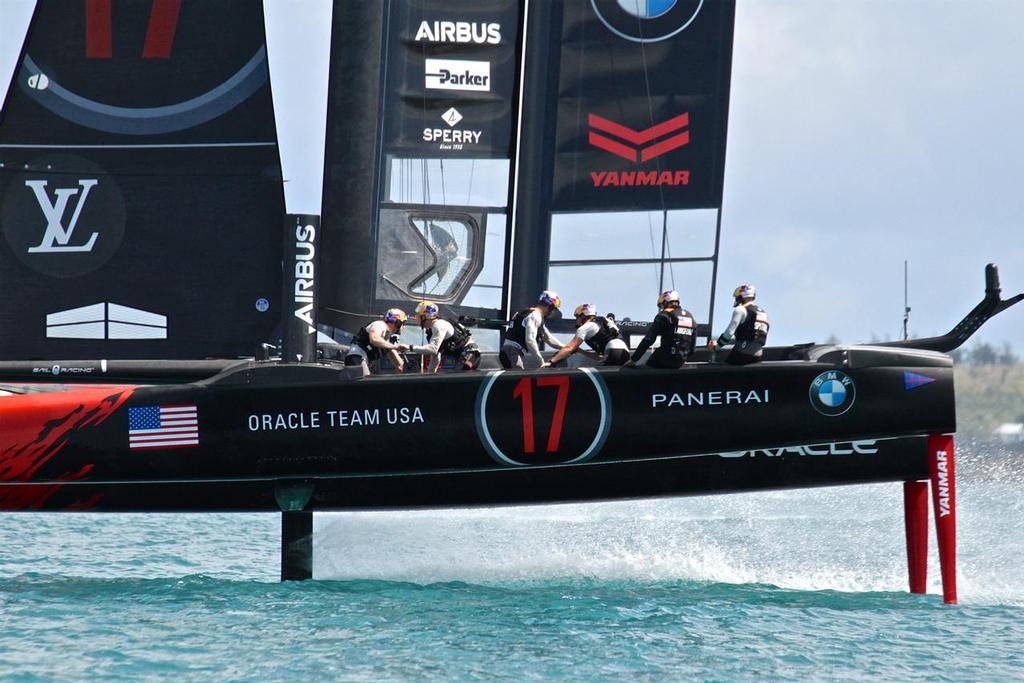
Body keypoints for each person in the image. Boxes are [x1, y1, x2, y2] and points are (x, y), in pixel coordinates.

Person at [623, 290, 696, 369]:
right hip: (681, 360)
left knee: (647, 366)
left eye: (662, 306)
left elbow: (649, 339)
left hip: (666, 357)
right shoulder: (690, 316)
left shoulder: (664, 315)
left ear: (666, 302)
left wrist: (633, 359)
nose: (662, 308)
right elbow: (692, 347)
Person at [541, 303, 629, 367]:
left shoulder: (586, 327)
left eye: (577, 317)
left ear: (583, 316)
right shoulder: (603, 321)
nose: (577, 320)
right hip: (624, 354)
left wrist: (552, 362)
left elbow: (569, 347)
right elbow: (600, 357)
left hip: (612, 351)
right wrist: (581, 351)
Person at [407, 300, 481, 372]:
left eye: (417, 315)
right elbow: (435, 357)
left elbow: (432, 349)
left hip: (470, 355)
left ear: (424, 317)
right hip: (461, 356)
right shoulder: (431, 330)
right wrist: (429, 376)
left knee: (456, 377)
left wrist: (409, 347)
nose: (415, 317)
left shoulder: (438, 325)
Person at [500, 290, 565, 369]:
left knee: (516, 376)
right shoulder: (535, 316)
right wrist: (541, 362)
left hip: (509, 351)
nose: (552, 312)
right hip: (512, 352)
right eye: (553, 308)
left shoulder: (530, 313)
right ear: (550, 305)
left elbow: (548, 338)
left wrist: (567, 348)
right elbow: (530, 341)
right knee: (519, 378)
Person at [708, 284, 769, 365]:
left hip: (742, 354)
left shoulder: (740, 310)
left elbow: (729, 333)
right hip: (758, 356)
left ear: (742, 296)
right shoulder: (763, 313)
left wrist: (717, 345)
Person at [344, 308, 409, 375]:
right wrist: (395, 347)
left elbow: (399, 365)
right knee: (366, 383)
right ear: (398, 322)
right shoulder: (380, 325)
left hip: (359, 361)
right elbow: (374, 339)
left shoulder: (387, 341)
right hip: (356, 358)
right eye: (403, 323)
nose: (404, 327)